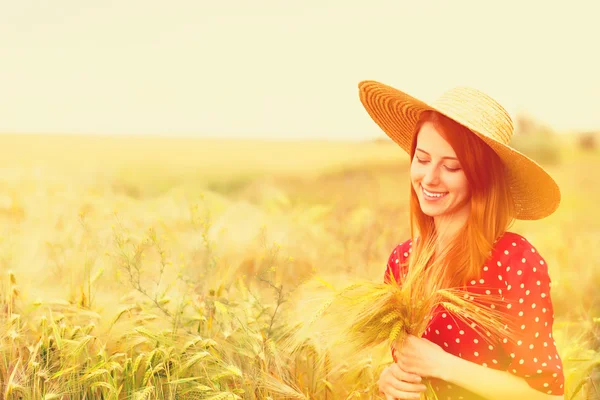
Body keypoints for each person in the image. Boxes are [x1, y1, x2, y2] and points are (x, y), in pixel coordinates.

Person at [357, 81, 565, 400]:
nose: (429, 179)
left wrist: (442, 365)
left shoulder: (514, 261)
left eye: (451, 166)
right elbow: (405, 363)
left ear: (481, 177)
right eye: (422, 159)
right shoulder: (403, 261)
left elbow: (548, 395)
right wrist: (389, 380)